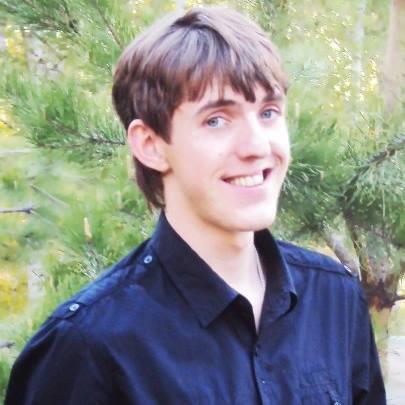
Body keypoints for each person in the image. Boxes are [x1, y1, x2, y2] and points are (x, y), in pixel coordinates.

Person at [6, 7, 385, 405]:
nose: (257, 146)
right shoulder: (87, 346)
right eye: (217, 120)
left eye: (268, 113)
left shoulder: (334, 299)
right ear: (151, 145)